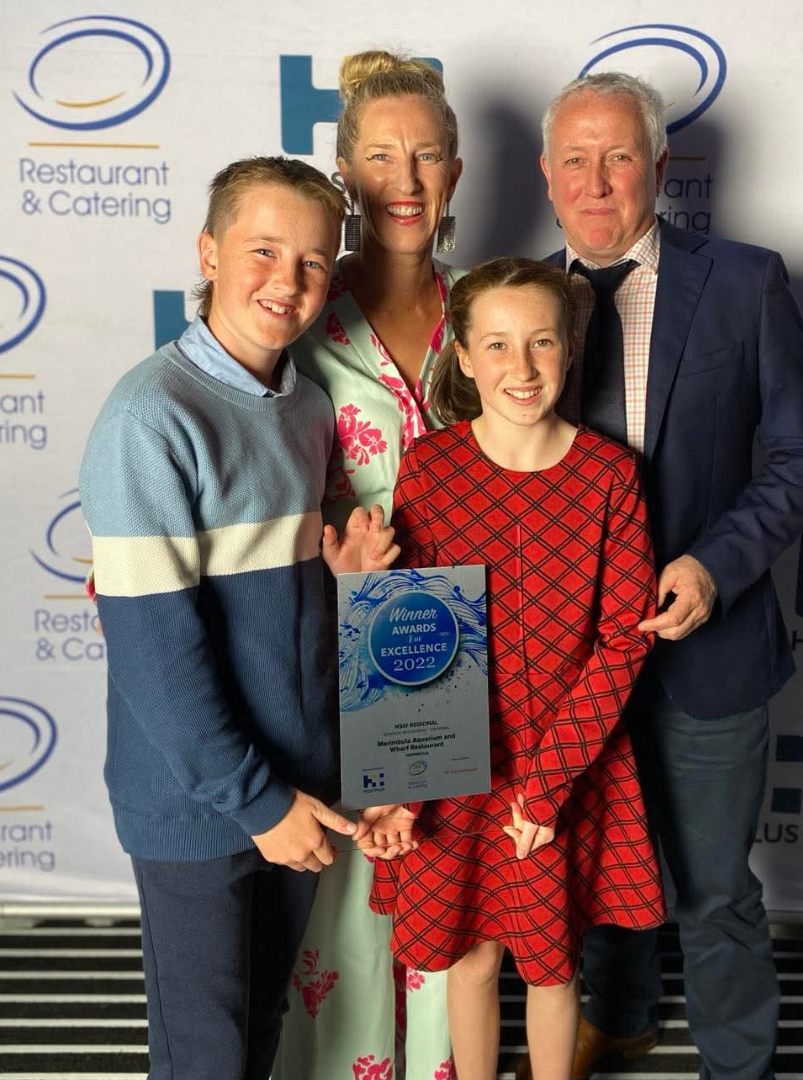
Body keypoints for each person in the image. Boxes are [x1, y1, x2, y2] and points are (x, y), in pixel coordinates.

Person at [517, 73, 803, 1080]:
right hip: (569, 665)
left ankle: (739, 1066)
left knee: (712, 888)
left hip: (707, 650)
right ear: (546, 173)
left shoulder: (744, 282)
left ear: (659, 168)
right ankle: (616, 1018)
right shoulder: (515, 301)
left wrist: (715, 564)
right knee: (593, 871)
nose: (597, 180)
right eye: (574, 158)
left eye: (619, 157)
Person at [78, 156, 400, 1080]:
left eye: (312, 262)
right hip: (205, 799)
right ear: (209, 251)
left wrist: (335, 586)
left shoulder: (301, 405)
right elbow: (156, 652)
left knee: (258, 1033)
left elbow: (267, 612)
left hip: (294, 783)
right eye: (263, 250)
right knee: (205, 1055)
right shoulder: (151, 417)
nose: (287, 282)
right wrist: (257, 803)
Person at [365, 257, 665, 1080]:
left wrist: (550, 780)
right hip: (455, 763)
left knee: (550, 964)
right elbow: (406, 633)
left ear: (570, 350)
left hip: (562, 764)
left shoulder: (610, 476)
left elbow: (623, 640)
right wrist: (397, 777)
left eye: (541, 342)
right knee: (468, 957)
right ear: (462, 356)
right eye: (496, 345)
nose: (521, 367)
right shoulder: (430, 467)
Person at [272, 50, 464, 1080]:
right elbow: (240, 485)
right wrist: (327, 559)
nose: (405, 178)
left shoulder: (491, 312)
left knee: (443, 884)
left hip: (467, 654)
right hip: (335, 645)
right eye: (381, 156)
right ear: (345, 175)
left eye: (427, 155)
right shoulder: (296, 316)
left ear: (457, 176)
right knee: (347, 880)